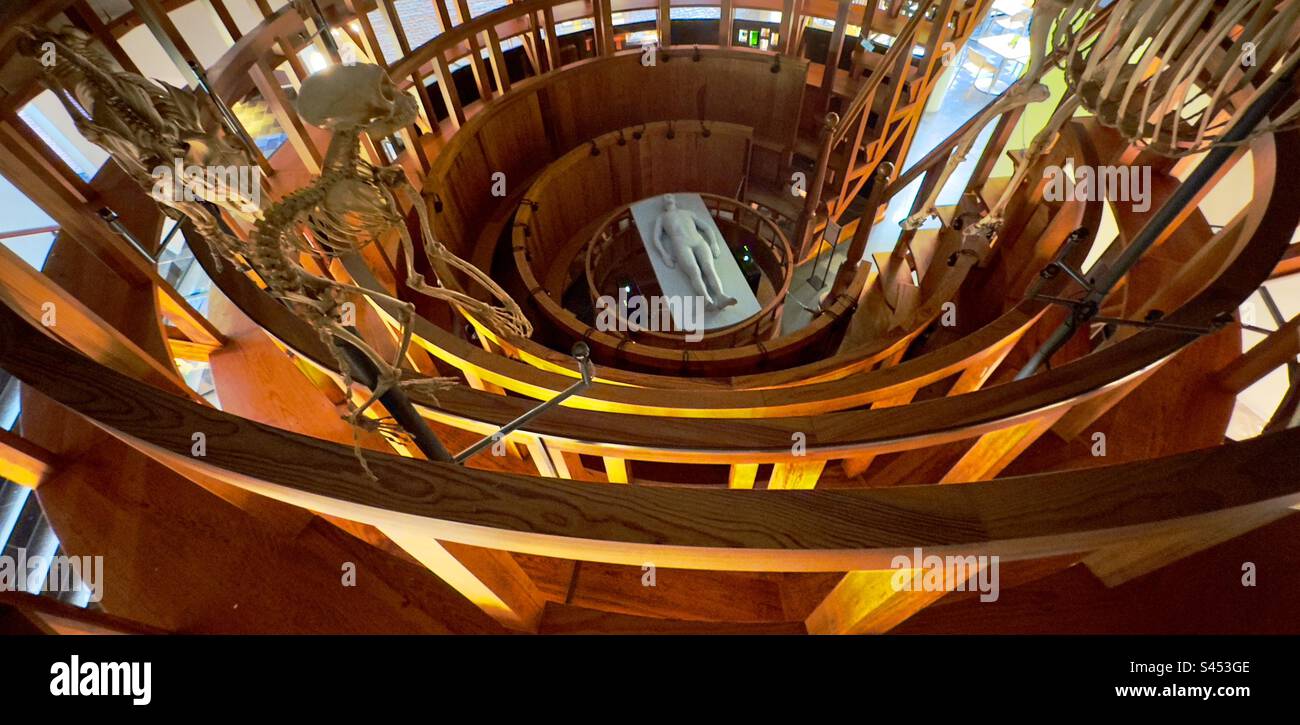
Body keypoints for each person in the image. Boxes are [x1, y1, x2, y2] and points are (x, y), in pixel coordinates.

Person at [650, 194, 737, 310]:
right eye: (665, 197)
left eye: (670, 196)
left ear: (675, 200)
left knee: (709, 268)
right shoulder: (662, 217)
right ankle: (706, 299)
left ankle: (721, 296)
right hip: (681, 245)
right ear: (663, 205)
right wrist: (664, 254)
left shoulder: (688, 213)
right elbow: (656, 237)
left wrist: (713, 243)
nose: (667, 197)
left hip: (698, 240)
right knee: (694, 271)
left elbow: (706, 227)